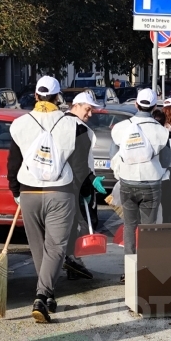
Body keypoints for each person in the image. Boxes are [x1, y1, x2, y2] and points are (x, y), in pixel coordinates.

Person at [8, 76, 95, 323]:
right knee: (55, 247)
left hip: (29, 191)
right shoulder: (73, 125)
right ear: (59, 98)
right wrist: (85, 191)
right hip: (61, 191)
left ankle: (48, 295)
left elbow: (13, 162)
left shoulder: (19, 124)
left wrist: (15, 191)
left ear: (35, 96)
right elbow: (81, 166)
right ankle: (41, 295)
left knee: (39, 248)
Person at [109, 88, 171, 256]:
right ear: (154, 107)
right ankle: (145, 264)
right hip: (151, 183)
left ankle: (129, 265)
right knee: (148, 227)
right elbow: (166, 161)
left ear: (136, 104)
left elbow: (112, 155)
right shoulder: (162, 131)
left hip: (127, 182)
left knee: (129, 225)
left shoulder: (121, 128)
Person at [62, 92, 105, 281]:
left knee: (67, 226)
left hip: (61, 184)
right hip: (76, 185)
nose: (90, 114)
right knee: (78, 226)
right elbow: (80, 165)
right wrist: (87, 189)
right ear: (76, 105)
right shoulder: (79, 129)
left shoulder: (60, 123)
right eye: (88, 109)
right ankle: (74, 262)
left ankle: (72, 265)